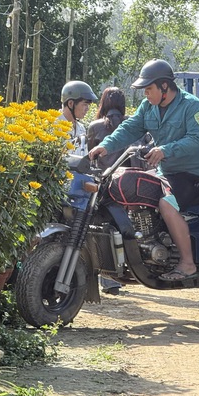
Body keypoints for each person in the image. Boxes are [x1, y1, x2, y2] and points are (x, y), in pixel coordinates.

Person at [89, 59, 199, 282]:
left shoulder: (192, 106)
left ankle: (187, 263)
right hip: (166, 174)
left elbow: (196, 140)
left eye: (149, 89)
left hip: (193, 176)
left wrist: (165, 150)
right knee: (130, 189)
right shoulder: (149, 107)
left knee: (167, 203)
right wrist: (105, 145)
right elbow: (129, 128)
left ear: (164, 87)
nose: (145, 94)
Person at [86, 86, 130, 295]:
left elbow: (89, 158)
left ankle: (108, 280)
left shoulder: (95, 127)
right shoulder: (131, 125)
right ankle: (122, 275)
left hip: (102, 185)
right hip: (127, 185)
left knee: (100, 230)